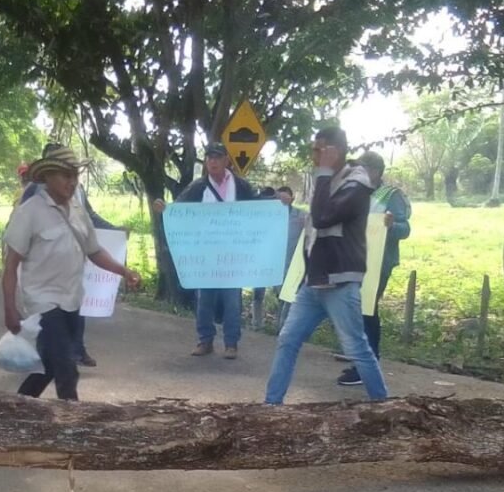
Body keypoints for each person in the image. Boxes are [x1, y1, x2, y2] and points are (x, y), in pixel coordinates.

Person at [3, 145, 140, 401]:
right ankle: (73, 426)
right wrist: (9, 308)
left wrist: (124, 271)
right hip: (43, 301)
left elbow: (94, 251)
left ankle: (17, 407)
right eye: (66, 175)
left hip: (73, 299)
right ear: (47, 177)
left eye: (75, 175)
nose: (72, 182)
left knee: (48, 365)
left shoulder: (78, 212)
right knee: (67, 368)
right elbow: (11, 266)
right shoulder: (29, 212)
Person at [264, 127, 389, 404]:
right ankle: (271, 405)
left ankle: (385, 406)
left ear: (337, 151)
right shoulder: (329, 182)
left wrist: (321, 174)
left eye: (321, 150)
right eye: (314, 150)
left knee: (357, 348)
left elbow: (322, 217)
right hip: (315, 281)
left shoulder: (357, 185)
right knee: (287, 339)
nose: (315, 156)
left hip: (340, 282)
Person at [17, 143, 128, 368]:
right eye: (63, 171)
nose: (71, 179)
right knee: (51, 328)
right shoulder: (33, 194)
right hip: (43, 277)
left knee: (75, 310)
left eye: (73, 171)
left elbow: (91, 221)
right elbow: (20, 228)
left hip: (71, 272)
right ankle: (54, 361)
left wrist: (115, 230)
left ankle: (76, 351)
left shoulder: (78, 194)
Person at [152, 142, 258, 359]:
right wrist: (166, 209)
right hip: (206, 255)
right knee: (204, 299)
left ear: (227, 160)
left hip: (233, 254)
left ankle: (231, 344)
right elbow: (179, 210)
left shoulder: (240, 186)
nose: (213, 162)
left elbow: (258, 208)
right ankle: (205, 340)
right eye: (209, 158)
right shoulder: (198, 187)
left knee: (232, 299)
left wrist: (279, 202)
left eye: (217, 157)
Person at [336, 151, 411, 386]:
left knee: (367, 310)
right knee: (355, 309)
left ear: (376, 172)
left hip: (379, 263)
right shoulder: (354, 192)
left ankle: (368, 365)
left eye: (362, 168)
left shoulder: (391, 195)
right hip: (354, 259)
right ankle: (362, 359)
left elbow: (405, 229)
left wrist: (391, 225)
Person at [252, 185, 306, 329]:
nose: (281, 201)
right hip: (265, 258)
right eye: (278, 198)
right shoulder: (266, 214)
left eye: (285, 198)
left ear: (292, 199)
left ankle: (281, 326)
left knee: (283, 294)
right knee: (258, 292)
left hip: (287, 261)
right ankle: (256, 324)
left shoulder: (300, 216)